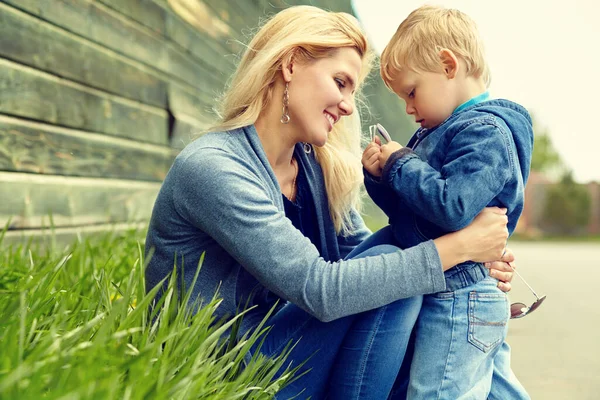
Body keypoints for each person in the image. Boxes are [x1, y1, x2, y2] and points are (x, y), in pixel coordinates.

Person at [144, 5, 517, 399]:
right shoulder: (214, 168)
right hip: (222, 374)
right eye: (341, 82)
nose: (349, 105)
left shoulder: (311, 168)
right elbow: (320, 289)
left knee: (400, 272)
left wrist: (473, 265)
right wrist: (456, 248)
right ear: (289, 64)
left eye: (352, 90)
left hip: (286, 350)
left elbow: (375, 261)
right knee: (396, 271)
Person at [361, 5, 533, 399]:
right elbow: (414, 214)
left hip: (460, 297)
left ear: (448, 65)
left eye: (411, 91)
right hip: (463, 293)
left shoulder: (485, 133)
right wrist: (380, 176)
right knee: (497, 392)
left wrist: (400, 162)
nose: (408, 107)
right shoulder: (444, 130)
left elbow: (453, 206)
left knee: (437, 393)